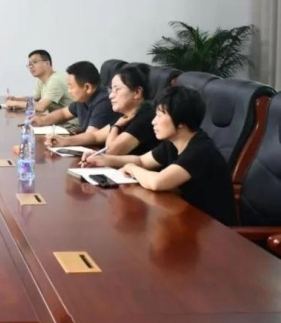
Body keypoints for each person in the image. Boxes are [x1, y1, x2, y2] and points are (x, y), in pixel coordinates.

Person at [82, 86, 236, 225]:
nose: (153, 122)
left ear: (181, 122)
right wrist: (103, 160)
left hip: (215, 231)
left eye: (160, 116)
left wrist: (131, 168)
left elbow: (158, 182)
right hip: (188, 218)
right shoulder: (174, 142)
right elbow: (141, 160)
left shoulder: (200, 150)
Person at [44, 63, 159, 155]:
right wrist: (64, 141)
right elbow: (95, 136)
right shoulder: (126, 115)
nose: (111, 96)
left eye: (117, 90)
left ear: (137, 92)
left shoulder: (145, 117)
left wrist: (116, 126)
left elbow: (112, 151)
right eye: (111, 90)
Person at [30, 61, 117, 135]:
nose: (69, 91)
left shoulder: (104, 102)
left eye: (71, 87)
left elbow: (91, 136)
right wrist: (41, 121)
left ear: (87, 87)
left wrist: (64, 141)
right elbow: (63, 113)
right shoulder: (83, 98)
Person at [5, 50, 75, 121]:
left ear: (47, 63)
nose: (31, 66)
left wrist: (15, 103)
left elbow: (41, 107)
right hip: (54, 121)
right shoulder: (41, 79)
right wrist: (16, 99)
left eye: (35, 62)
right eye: (29, 64)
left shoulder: (55, 81)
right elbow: (35, 98)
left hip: (68, 125)